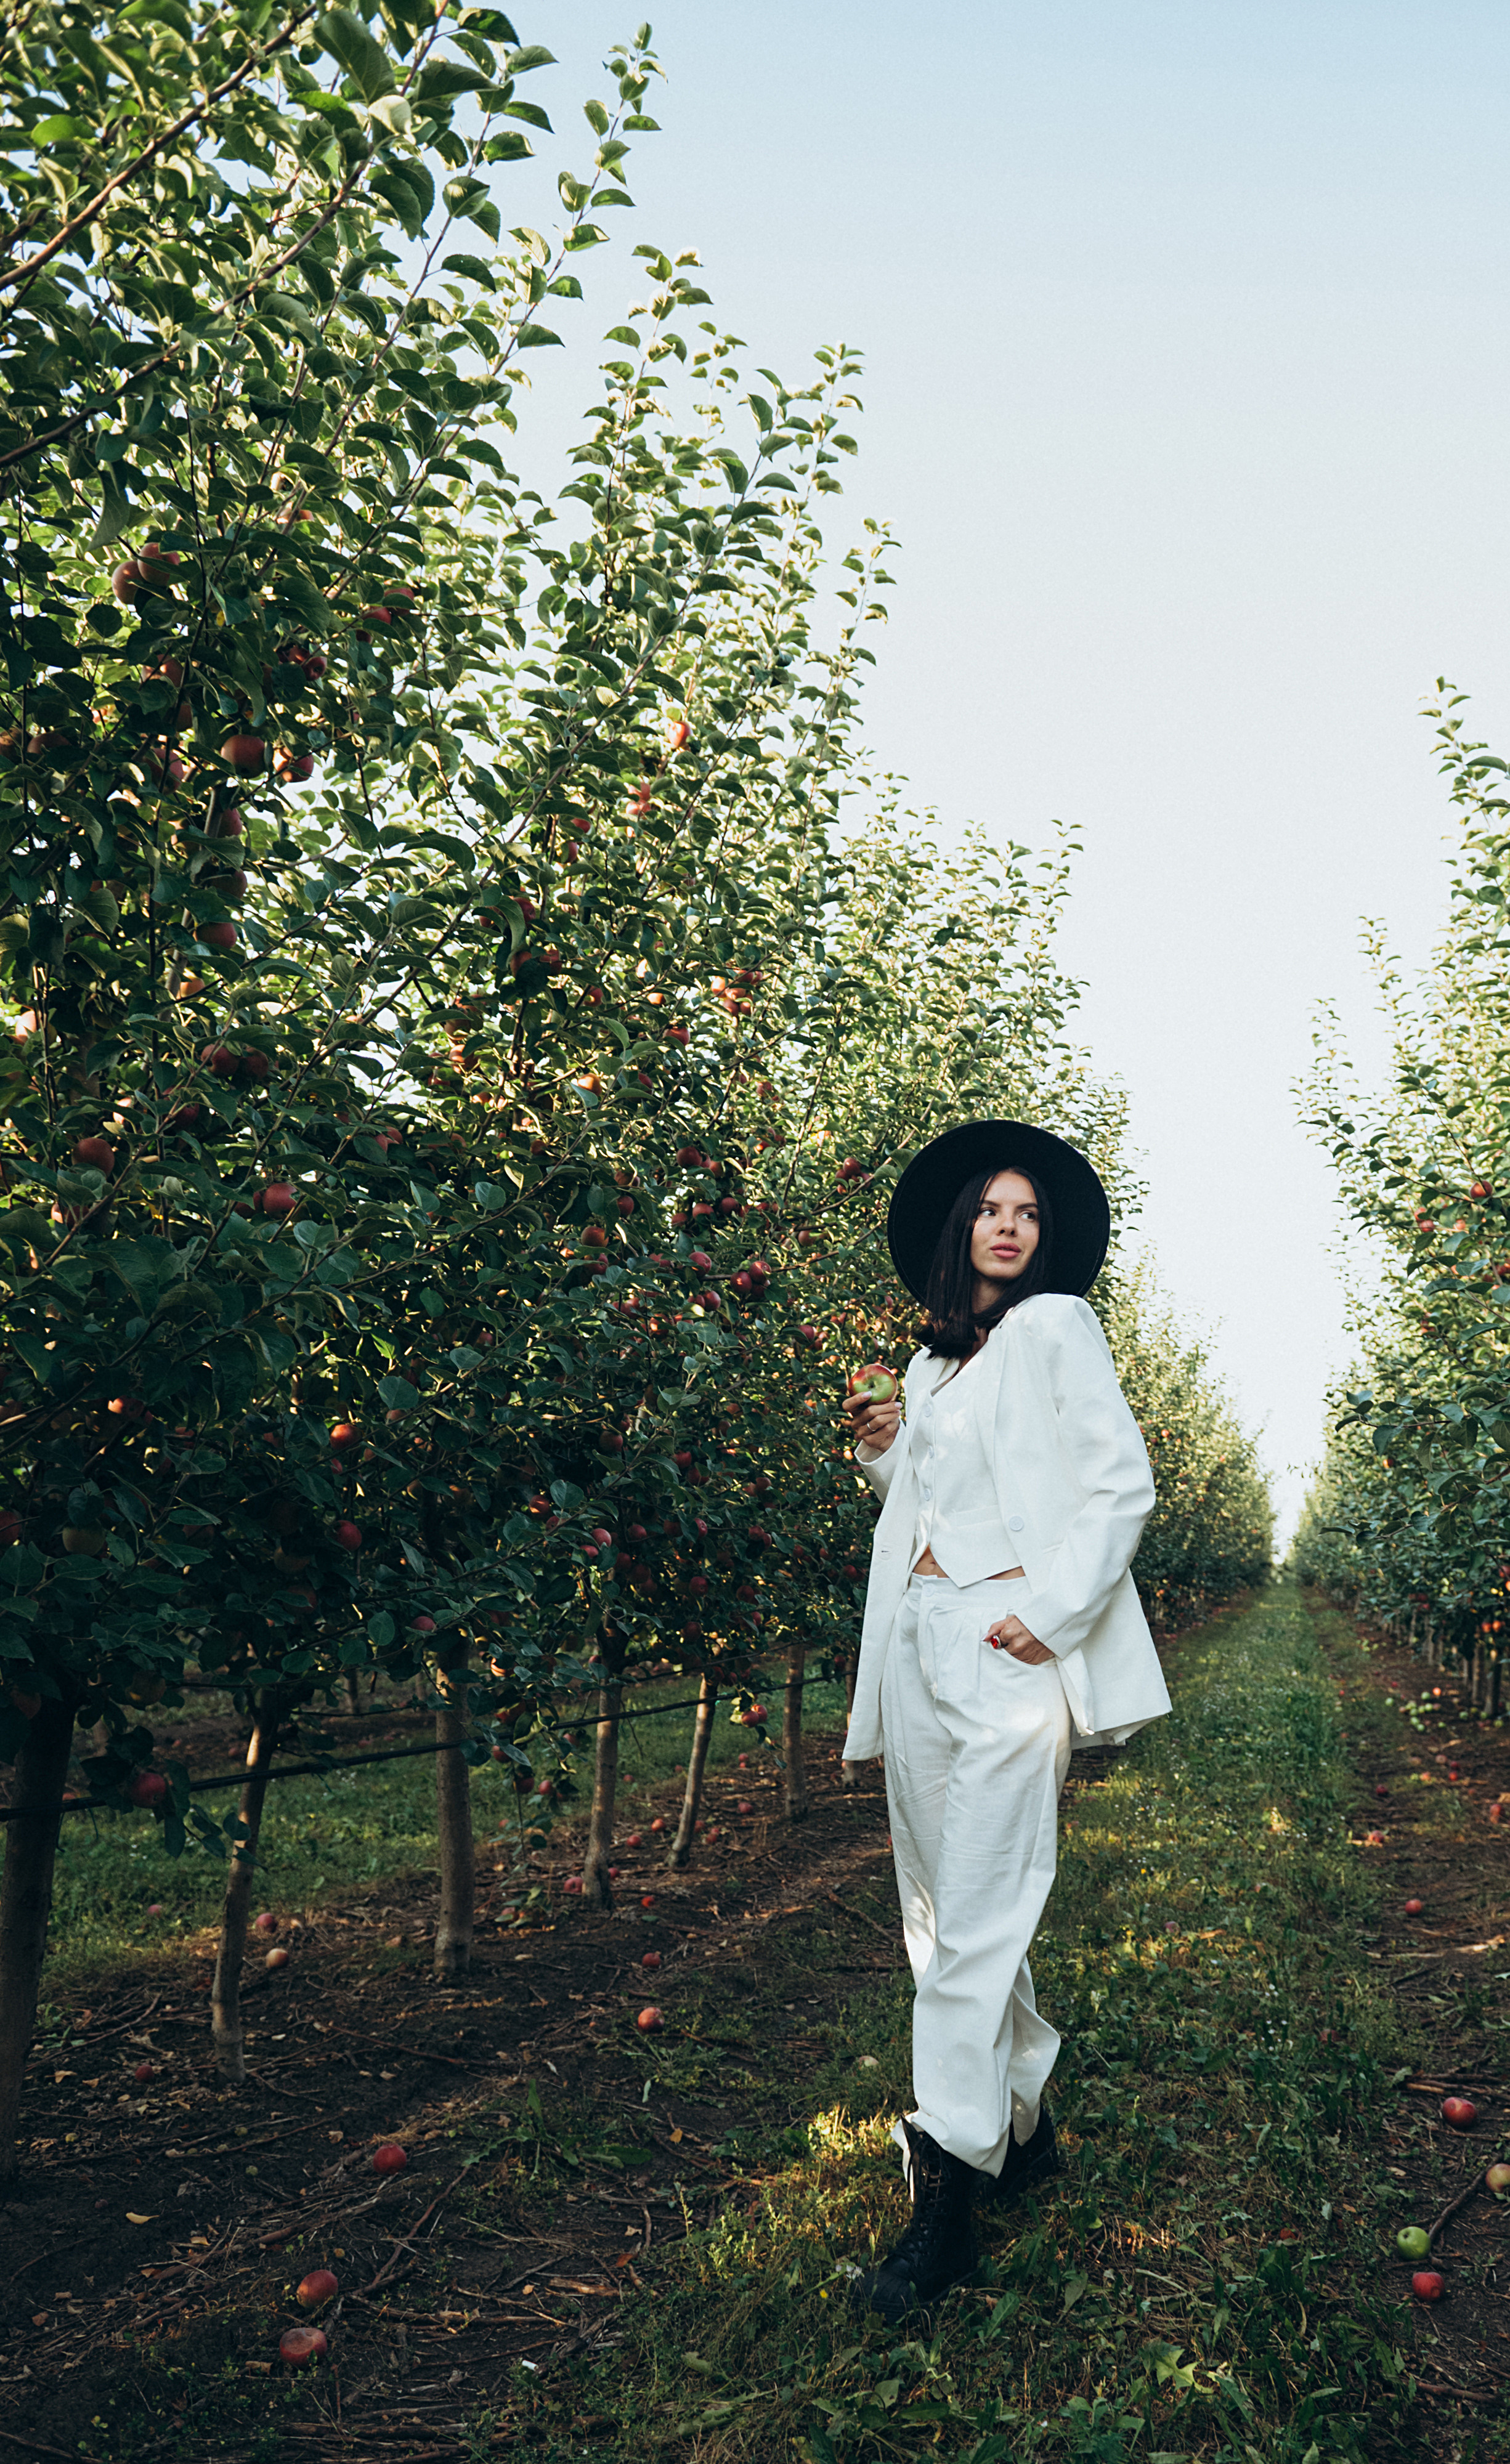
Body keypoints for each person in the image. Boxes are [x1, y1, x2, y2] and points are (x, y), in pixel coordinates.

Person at [840, 1119, 1171, 2324]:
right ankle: (1025, 2119)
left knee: (975, 1913)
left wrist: (1053, 1608)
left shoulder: (1050, 1327)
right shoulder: (936, 1364)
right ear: (960, 1225)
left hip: (999, 1643)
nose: (1009, 1224)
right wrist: (886, 1452)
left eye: (1028, 1212)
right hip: (920, 1641)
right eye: (991, 1206)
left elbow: (1115, 1478)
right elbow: (927, 1505)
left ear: (1043, 1240)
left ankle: (946, 2190)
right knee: (940, 1911)